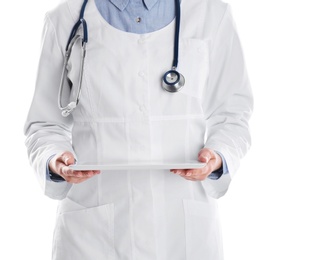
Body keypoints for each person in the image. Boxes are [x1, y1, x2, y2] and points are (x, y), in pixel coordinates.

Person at [24, 0, 253, 259]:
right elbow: (45, 124)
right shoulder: (65, 18)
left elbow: (232, 114)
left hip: (182, 230)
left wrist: (219, 156)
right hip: (92, 231)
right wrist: (54, 159)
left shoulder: (211, 13)